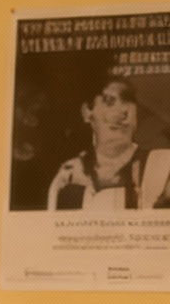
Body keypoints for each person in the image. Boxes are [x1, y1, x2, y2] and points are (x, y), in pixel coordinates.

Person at [42, 75, 170, 211]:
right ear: (87, 112)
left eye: (129, 102)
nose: (123, 113)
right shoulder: (67, 177)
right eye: (110, 102)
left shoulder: (163, 165)